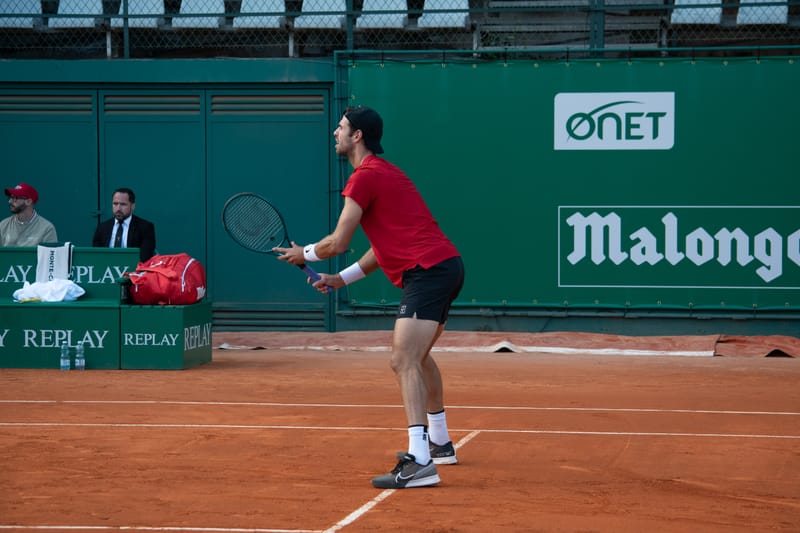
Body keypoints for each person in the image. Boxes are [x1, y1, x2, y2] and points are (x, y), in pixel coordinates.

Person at [274, 106, 465, 489]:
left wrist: (305, 253)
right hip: (443, 267)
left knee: (403, 359)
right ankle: (440, 442)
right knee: (418, 357)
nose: (335, 133)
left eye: (341, 127)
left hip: (428, 271)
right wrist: (340, 280)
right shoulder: (386, 174)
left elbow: (338, 241)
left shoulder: (365, 177)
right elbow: (382, 247)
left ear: (357, 135)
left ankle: (420, 460)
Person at [92, 187, 156, 262]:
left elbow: (145, 257)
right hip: (106, 269)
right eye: (115, 204)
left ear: (132, 206)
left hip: (133, 270)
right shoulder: (102, 227)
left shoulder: (145, 227)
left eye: (123, 204)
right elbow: (96, 256)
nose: (118, 208)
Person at [1, 182, 58, 246]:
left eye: (15, 198)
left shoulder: (47, 229)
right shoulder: (2, 225)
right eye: (10, 197)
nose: (10, 201)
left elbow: (49, 255)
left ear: (28, 201)